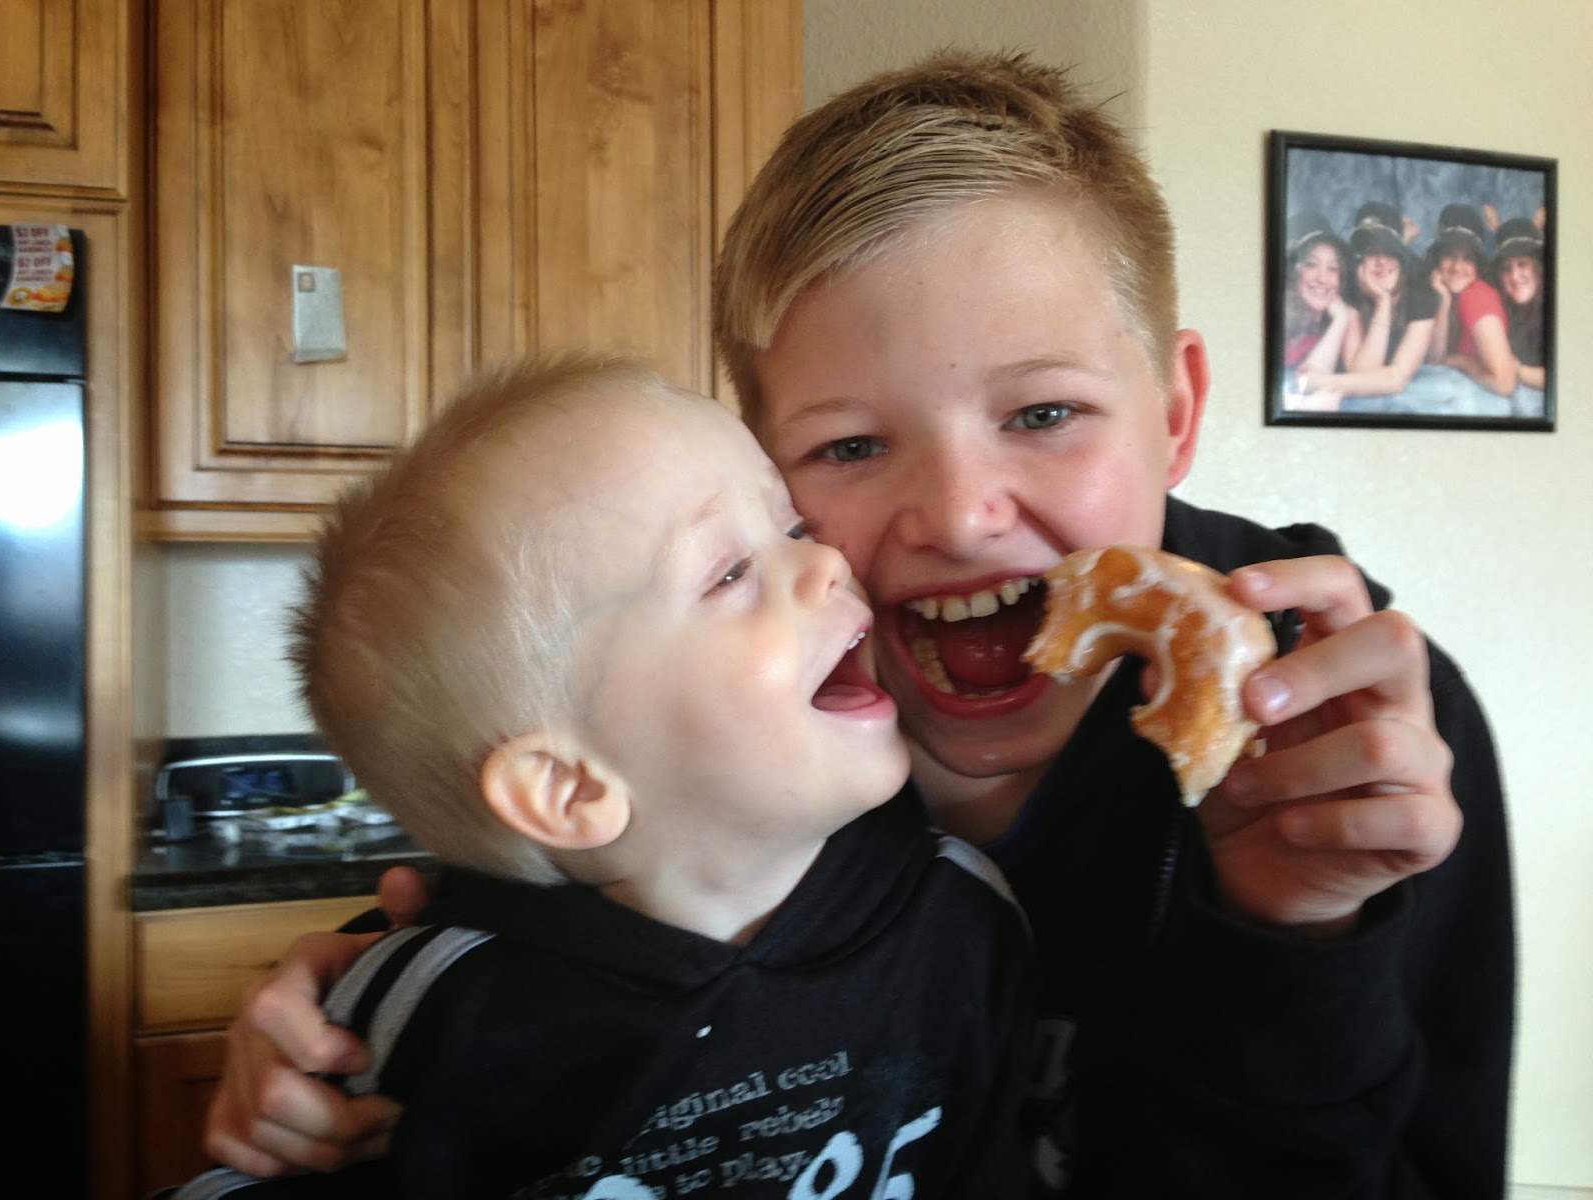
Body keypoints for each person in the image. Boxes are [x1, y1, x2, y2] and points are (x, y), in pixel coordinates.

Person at [206, 51, 1514, 1199]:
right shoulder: (751, 706)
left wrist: (1300, 939)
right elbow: (579, 908)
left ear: (1173, 415)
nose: (956, 515)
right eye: (848, 446)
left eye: (1044, 414)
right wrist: (355, 1024)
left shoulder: (1346, 740)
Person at [166, 354, 1035, 1198]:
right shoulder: (437, 1008)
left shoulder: (961, 916)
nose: (828, 562)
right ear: (571, 789)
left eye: (793, 531)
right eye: (731, 573)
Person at [1294, 201, 1440, 402]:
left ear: (1400, 255)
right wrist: (1382, 304)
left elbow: (1397, 379)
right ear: (1360, 260)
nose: (1381, 261)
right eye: (1372, 252)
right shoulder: (1351, 289)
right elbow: (1361, 372)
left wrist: (1321, 382)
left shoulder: (1421, 292)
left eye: (1390, 251)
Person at [1427, 202, 1519, 395]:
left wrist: (1460, 361)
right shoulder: (1449, 295)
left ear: (1477, 267)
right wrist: (1443, 301)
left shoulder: (1475, 296)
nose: (1457, 267)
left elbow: (1504, 384)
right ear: (1438, 260)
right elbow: (1435, 359)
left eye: (1467, 258)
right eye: (1450, 255)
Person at [1280, 210, 1361, 378]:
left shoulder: (1341, 316)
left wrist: (1341, 318)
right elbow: (1307, 382)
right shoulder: (1280, 319)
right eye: (1311, 264)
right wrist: (1340, 320)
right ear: (1292, 271)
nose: (1322, 278)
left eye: (1333, 268)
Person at [1491, 213, 1547, 392]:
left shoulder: (1560, 308)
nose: (1514, 277)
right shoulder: (1501, 308)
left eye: (1522, 264)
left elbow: (1570, 377)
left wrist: (1519, 371)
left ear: (1539, 269)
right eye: (1507, 268)